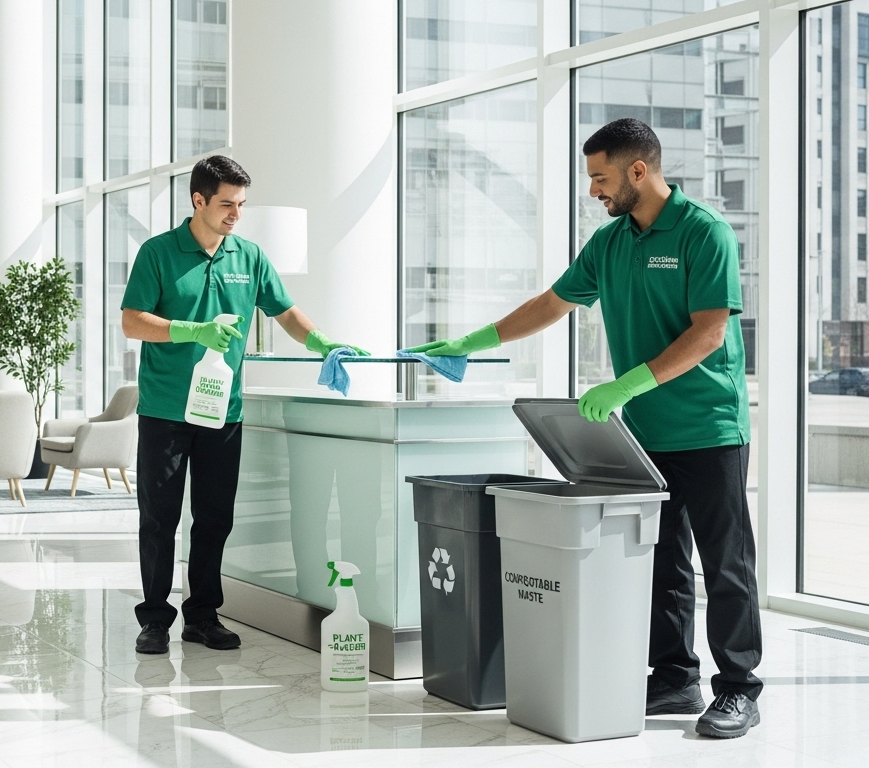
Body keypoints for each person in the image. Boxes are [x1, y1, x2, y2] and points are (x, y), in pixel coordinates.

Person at [409, 118, 762, 739]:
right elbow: (552, 303)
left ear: (637, 171)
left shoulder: (703, 231)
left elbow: (710, 332)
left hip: (709, 427)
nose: (593, 190)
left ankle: (738, 688)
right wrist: (472, 341)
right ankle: (675, 677)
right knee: (662, 563)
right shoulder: (610, 242)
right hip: (644, 433)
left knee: (725, 563)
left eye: (600, 178)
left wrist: (626, 384)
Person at [122, 155, 369, 655]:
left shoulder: (249, 256)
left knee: (215, 518)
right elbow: (132, 321)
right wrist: (192, 330)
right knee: (160, 518)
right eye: (226, 204)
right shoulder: (158, 253)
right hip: (166, 410)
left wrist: (322, 342)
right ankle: (154, 620)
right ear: (198, 200)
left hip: (223, 411)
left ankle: (202, 616)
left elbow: (285, 311)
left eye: (241, 204)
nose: (236, 214)